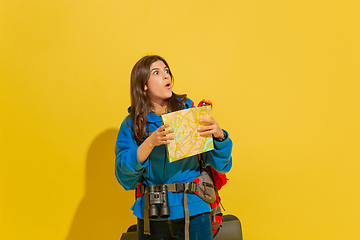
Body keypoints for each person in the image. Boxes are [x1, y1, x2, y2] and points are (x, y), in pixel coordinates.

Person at [115, 55, 232, 240]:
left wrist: (219, 136)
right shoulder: (132, 124)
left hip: (194, 209)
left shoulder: (189, 112)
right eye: (157, 72)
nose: (166, 76)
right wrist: (150, 142)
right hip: (151, 213)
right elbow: (124, 178)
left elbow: (222, 165)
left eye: (167, 71)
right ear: (143, 84)